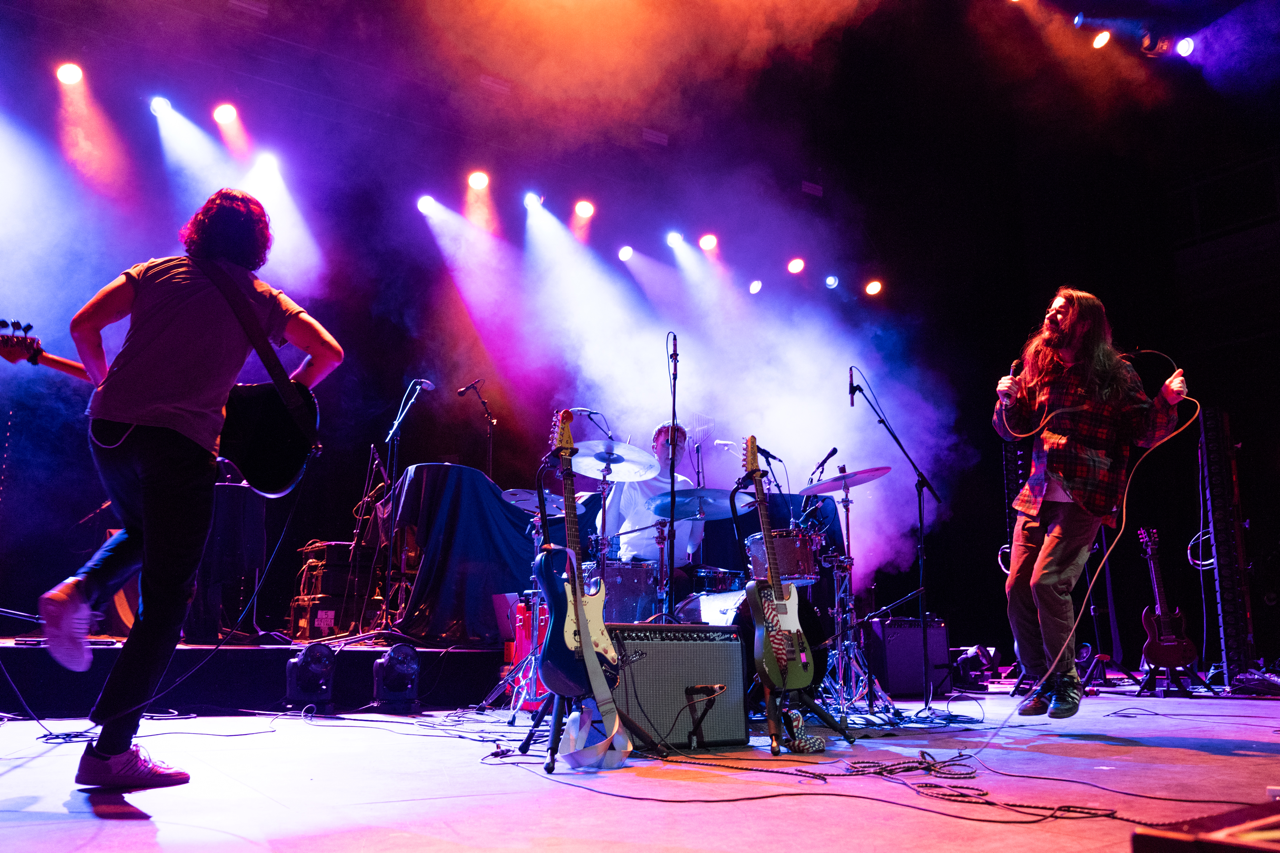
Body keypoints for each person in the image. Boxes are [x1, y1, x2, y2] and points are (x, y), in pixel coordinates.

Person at [37, 189, 344, 788]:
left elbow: (83, 325)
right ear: (258, 242)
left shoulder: (156, 271)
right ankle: (110, 752)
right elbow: (328, 353)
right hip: (180, 444)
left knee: (145, 535)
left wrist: (105, 383)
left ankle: (79, 589)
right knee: (168, 600)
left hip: (110, 432)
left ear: (200, 228)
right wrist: (287, 399)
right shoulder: (260, 297)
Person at [994, 288, 1184, 719]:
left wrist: (1166, 402)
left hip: (1086, 493)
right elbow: (1014, 428)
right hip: (1039, 494)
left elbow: (1142, 430)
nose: (1051, 317)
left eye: (1062, 312)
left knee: (1048, 583)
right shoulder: (1038, 366)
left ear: (1086, 324)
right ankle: (1040, 682)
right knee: (1016, 589)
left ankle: (1066, 683)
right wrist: (1005, 400)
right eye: (1050, 310)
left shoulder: (1114, 374)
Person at [596, 422, 705, 600]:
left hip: (678, 567)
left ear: (684, 451)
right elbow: (605, 530)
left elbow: (692, 546)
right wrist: (621, 479)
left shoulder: (687, 486)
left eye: (678, 445)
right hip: (639, 566)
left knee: (714, 583)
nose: (673, 450)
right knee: (679, 581)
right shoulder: (636, 482)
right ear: (654, 447)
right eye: (667, 443)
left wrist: (703, 512)